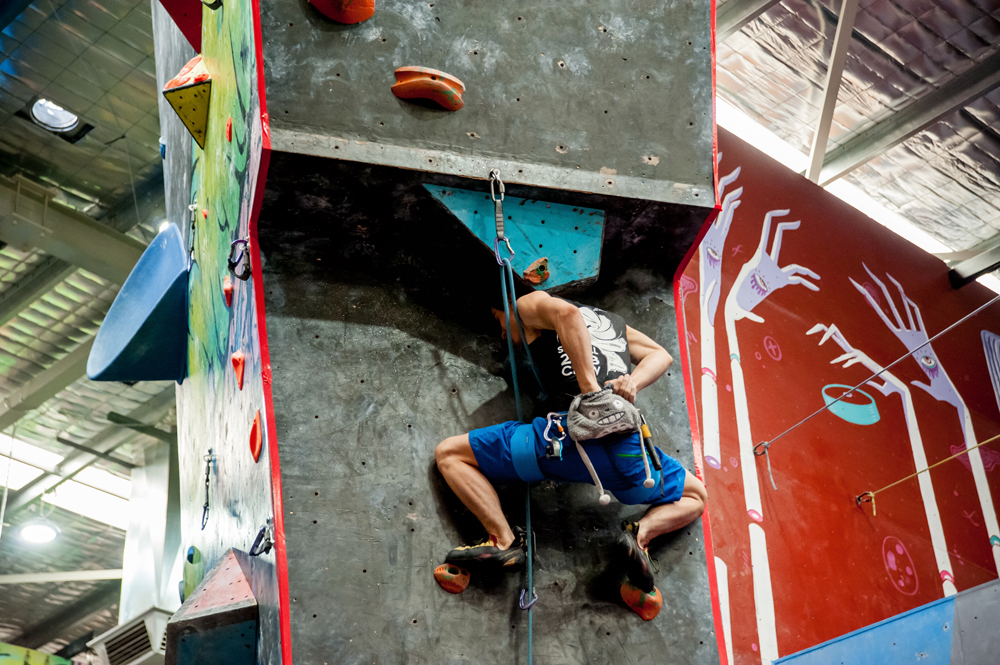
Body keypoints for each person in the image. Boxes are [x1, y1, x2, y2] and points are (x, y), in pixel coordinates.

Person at [434, 291, 707, 593]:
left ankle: (503, 540)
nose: (502, 331)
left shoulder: (524, 305)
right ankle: (640, 537)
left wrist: (591, 393)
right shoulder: (611, 323)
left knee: (450, 454)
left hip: (562, 442)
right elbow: (661, 355)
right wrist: (632, 383)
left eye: (498, 321)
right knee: (696, 496)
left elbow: (568, 315)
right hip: (629, 455)